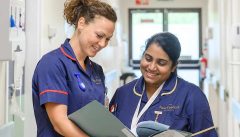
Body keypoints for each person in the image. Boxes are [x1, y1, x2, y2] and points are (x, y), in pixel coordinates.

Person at [32, 0, 117, 136]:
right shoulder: (53, 64)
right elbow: (60, 124)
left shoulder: (97, 71)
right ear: (81, 23)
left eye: (107, 39)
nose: (102, 44)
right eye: (99, 36)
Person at [109, 32, 218, 137]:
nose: (151, 67)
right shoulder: (122, 93)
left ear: (174, 66)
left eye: (161, 63)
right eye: (148, 58)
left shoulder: (192, 96)